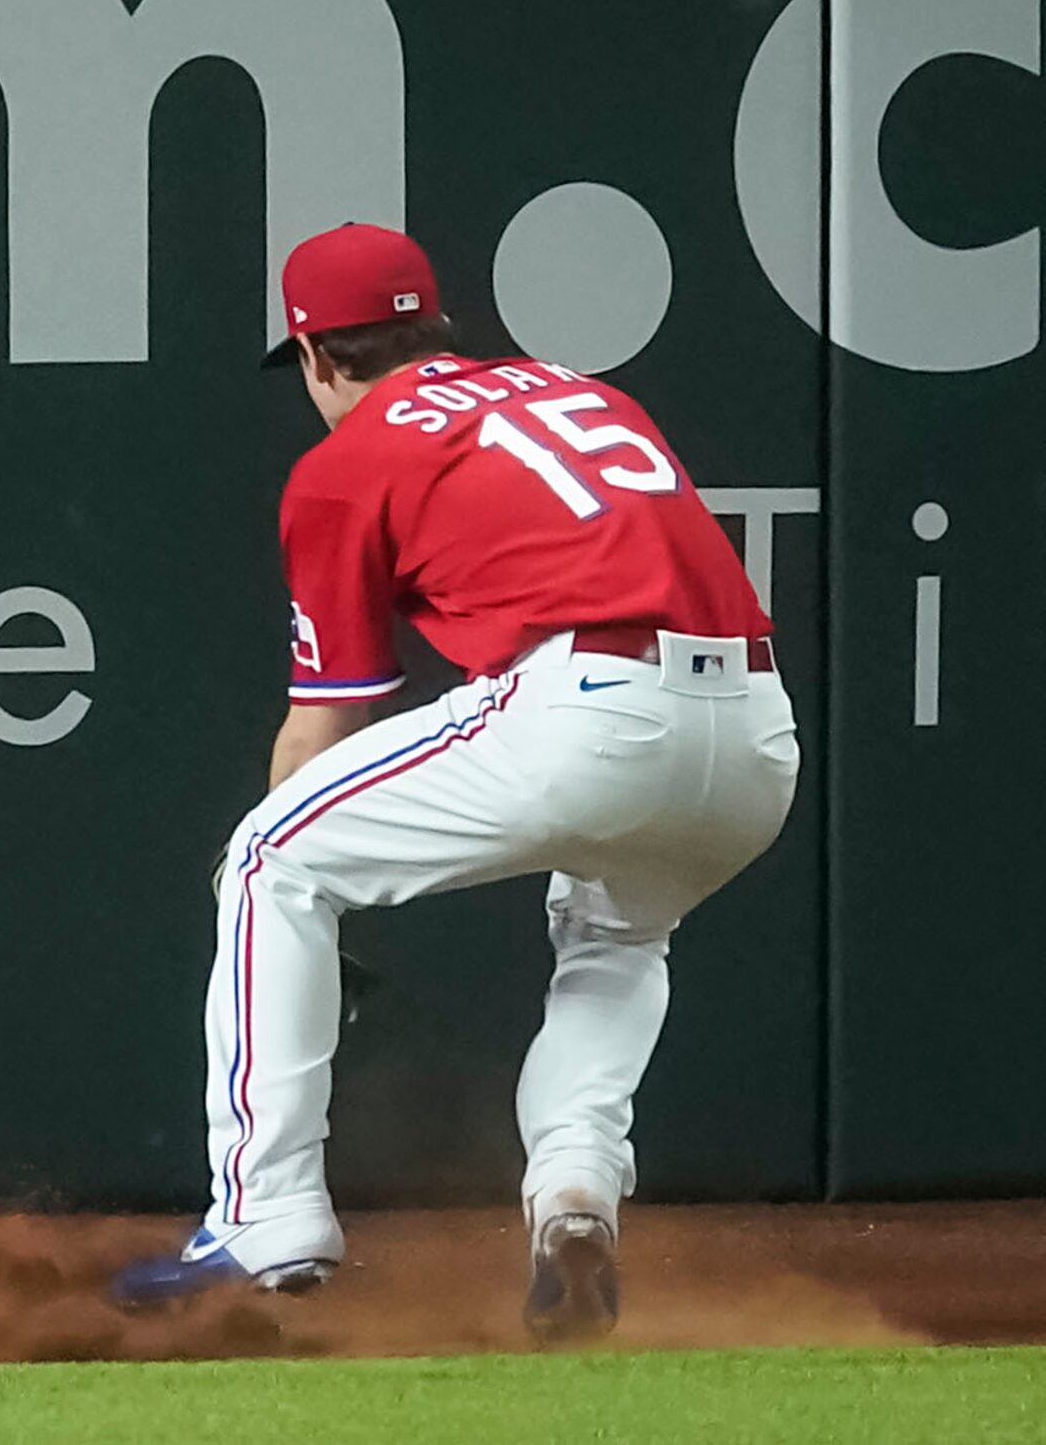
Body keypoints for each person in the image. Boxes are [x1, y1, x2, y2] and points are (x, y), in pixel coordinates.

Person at [106, 223, 799, 1342]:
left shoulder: (345, 465)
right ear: (431, 328)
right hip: (757, 735)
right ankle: (574, 1192)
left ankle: (262, 1215)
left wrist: (313, 896)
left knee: (269, 858)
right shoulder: (578, 392)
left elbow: (326, 714)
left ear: (320, 358)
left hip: (592, 702)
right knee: (616, 936)